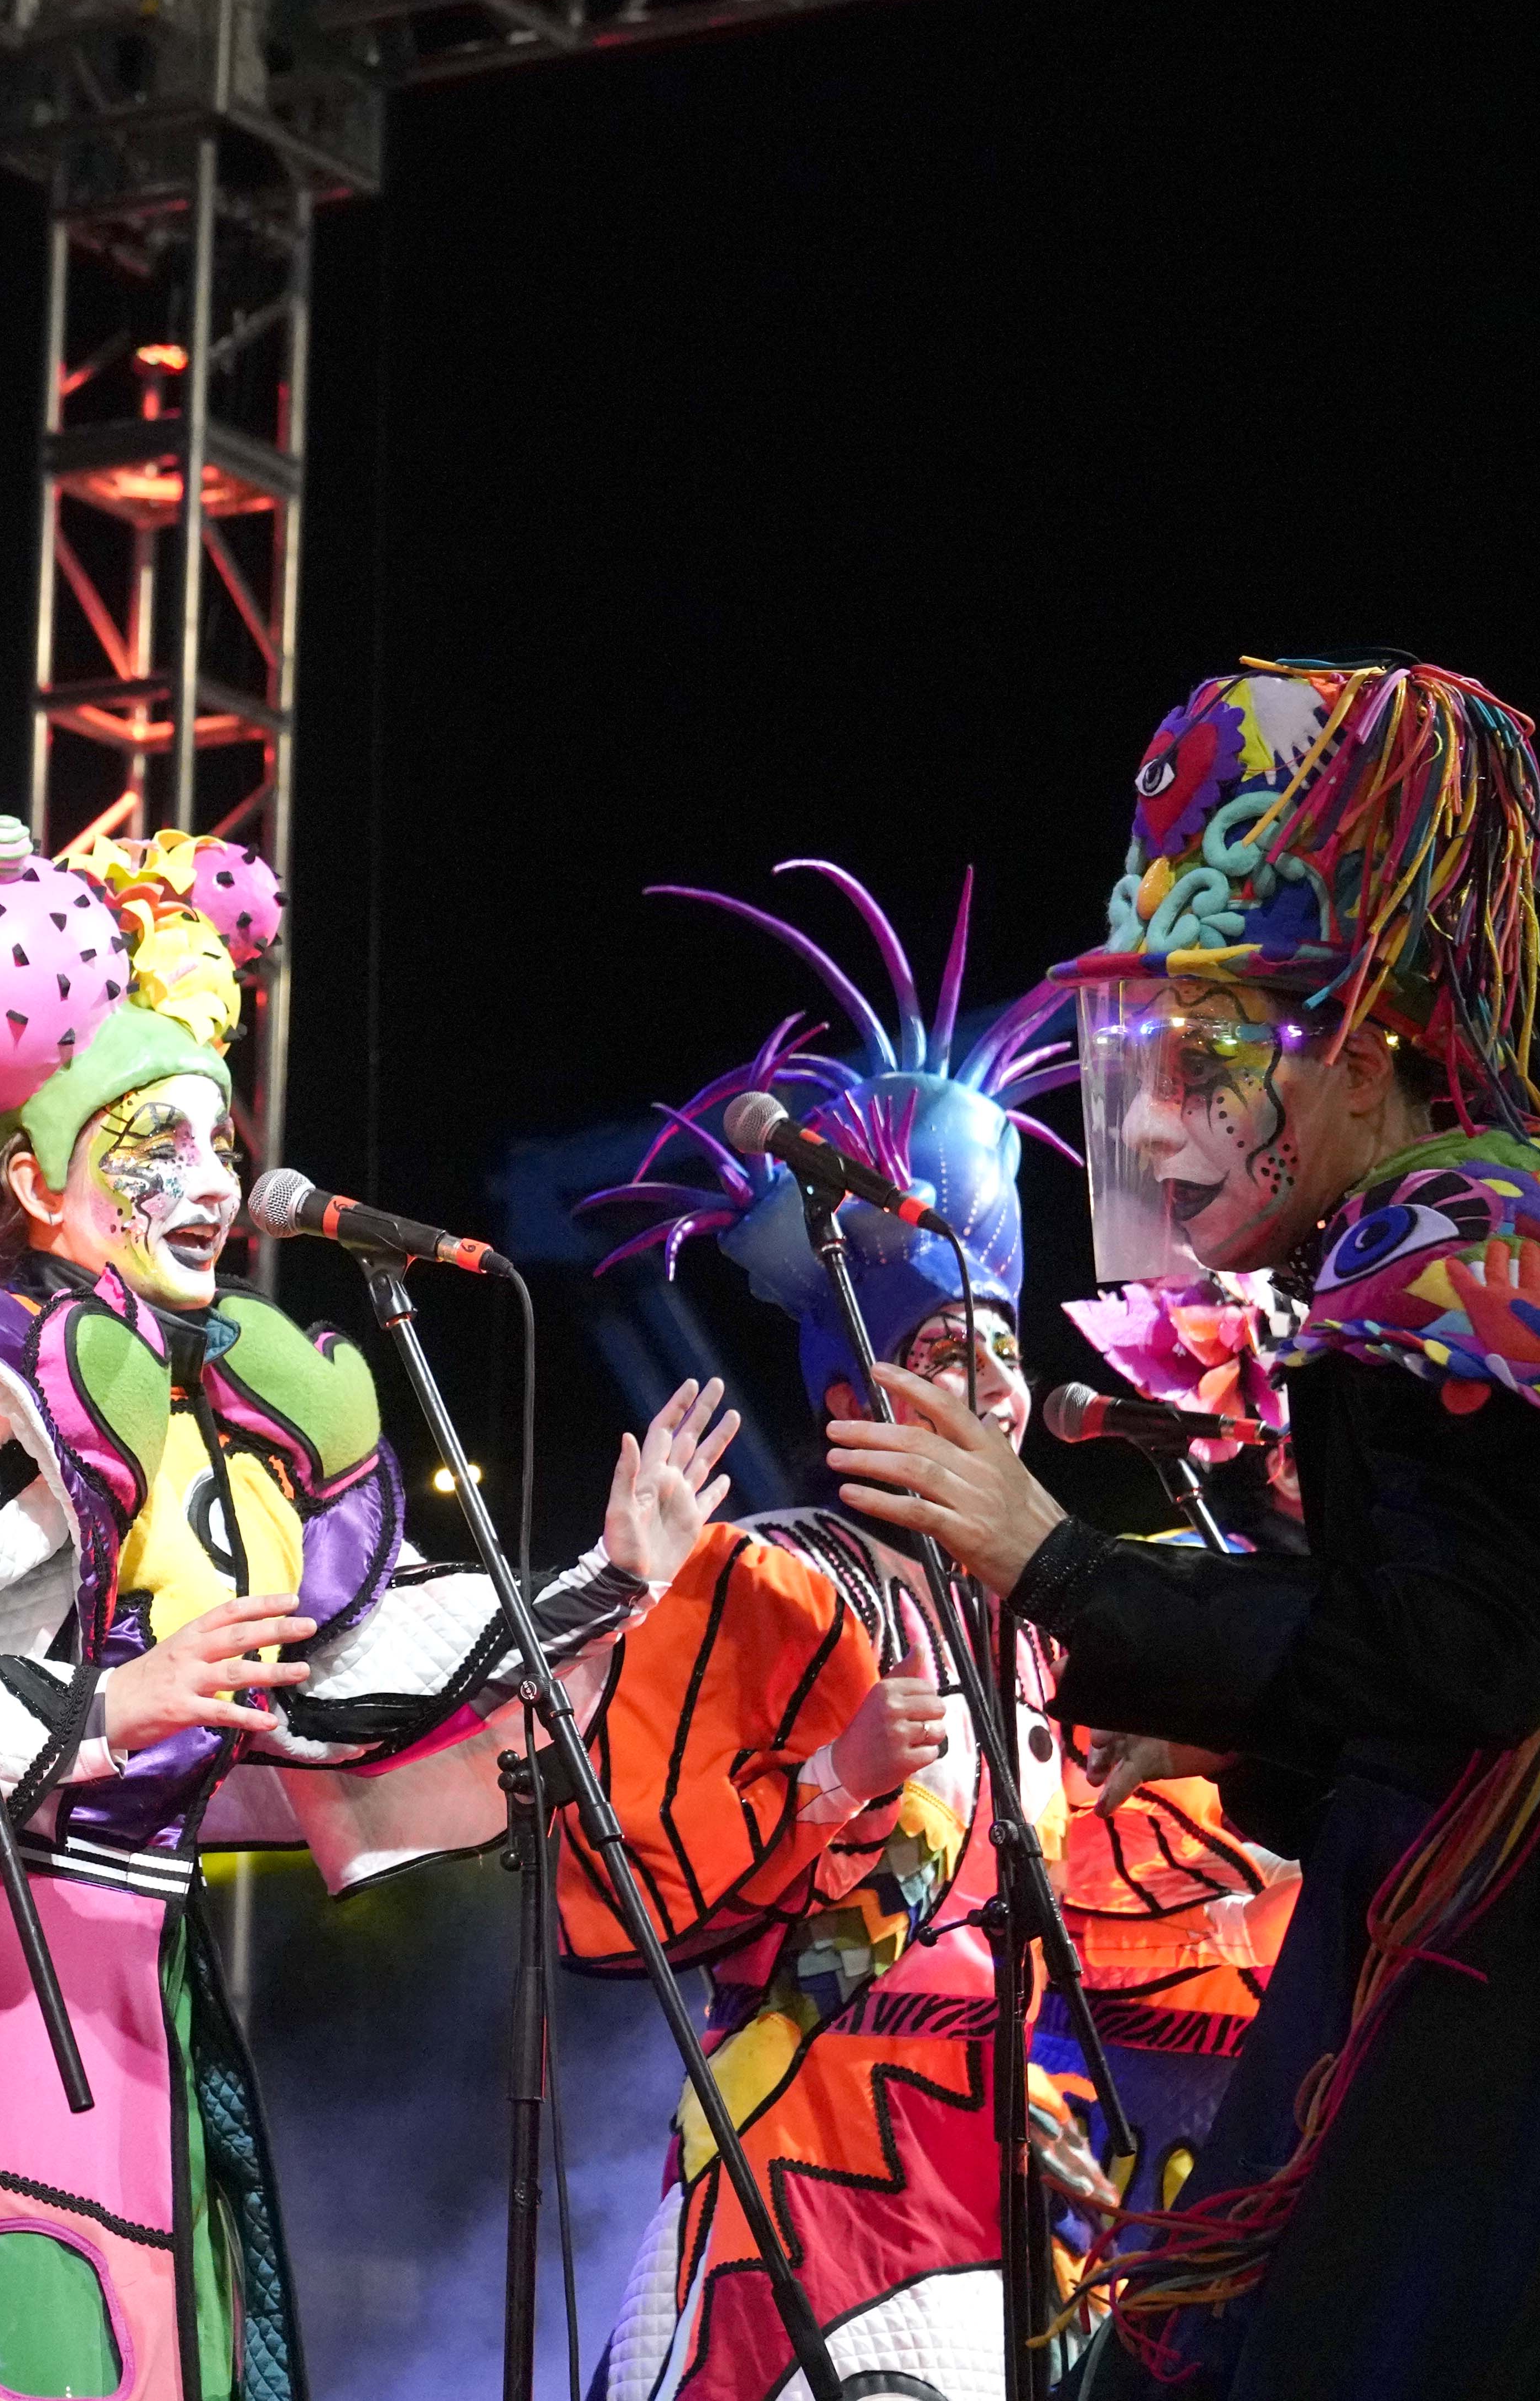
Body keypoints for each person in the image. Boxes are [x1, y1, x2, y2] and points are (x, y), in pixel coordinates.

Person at [825, 656, 1540, 2399]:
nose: (1159, 1114)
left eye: (1214, 1052)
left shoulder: (1443, 1273)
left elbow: (1464, 1662)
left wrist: (1055, 1560)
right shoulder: (1509, 1230)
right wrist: (1221, 1707)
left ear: (1368, 1046)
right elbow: (1465, 1661)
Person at [0, 818, 729, 2401]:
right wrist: (110, 1713)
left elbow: (343, 1672)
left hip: (127, 1984)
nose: (211, 1185)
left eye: (221, 1146)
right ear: (36, 1175)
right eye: (157, 1146)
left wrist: (601, 1580)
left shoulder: (245, 1417)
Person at [568, 863, 1282, 2401]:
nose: (997, 1391)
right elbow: (617, 1887)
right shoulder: (780, 1585)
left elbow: (1078, 1893)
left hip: (987, 2163)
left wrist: (1282, 1884)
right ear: (849, 1402)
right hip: (807, 2157)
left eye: (1003, 1357)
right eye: (947, 1354)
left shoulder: (1025, 1635)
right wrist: (829, 1777)